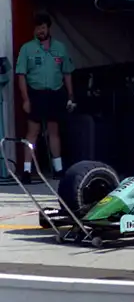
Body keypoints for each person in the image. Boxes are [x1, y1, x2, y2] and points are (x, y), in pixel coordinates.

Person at [15, 13, 75, 181]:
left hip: (56, 92)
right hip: (36, 93)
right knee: (33, 131)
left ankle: (58, 168)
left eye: (42, 27)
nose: (40, 31)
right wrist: (26, 99)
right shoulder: (27, 49)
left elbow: (67, 73)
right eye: (37, 28)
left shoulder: (60, 48)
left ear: (48, 28)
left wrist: (70, 95)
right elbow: (21, 75)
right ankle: (26, 171)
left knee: (53, 130)